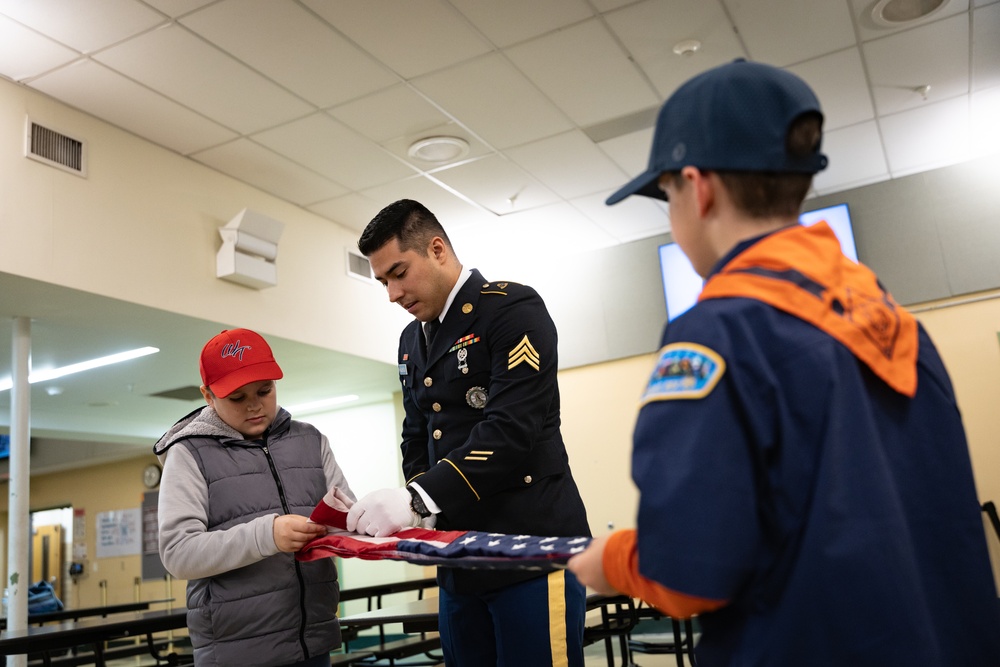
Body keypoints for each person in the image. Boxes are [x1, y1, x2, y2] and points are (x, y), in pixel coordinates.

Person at [567, 59, 1000, 666]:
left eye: (666, 195)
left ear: (700, 187)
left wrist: (610, 561)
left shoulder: (714, 335)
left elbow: (691, 573)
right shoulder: (899, 326)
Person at [352, 199, 592, 666]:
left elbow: (510, 430)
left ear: (437, 249)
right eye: (383, 281)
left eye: (399, 272)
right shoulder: (411, 340)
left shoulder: (511, 309)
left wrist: (419, 497)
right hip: (459, 561)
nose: (392, 294)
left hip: (529, 553)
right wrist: (419, 511)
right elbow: (417, 432)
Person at [154, 328, 355, 667]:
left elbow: (344, 518)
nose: (254, 405)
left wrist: (370, 522)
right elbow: (178, 553)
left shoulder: (311, 440)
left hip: (314, 641)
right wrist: (268, 535)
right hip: (236, 652)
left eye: (265, 390)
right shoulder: (188, 454)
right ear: (208, 395)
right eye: (237, 397)